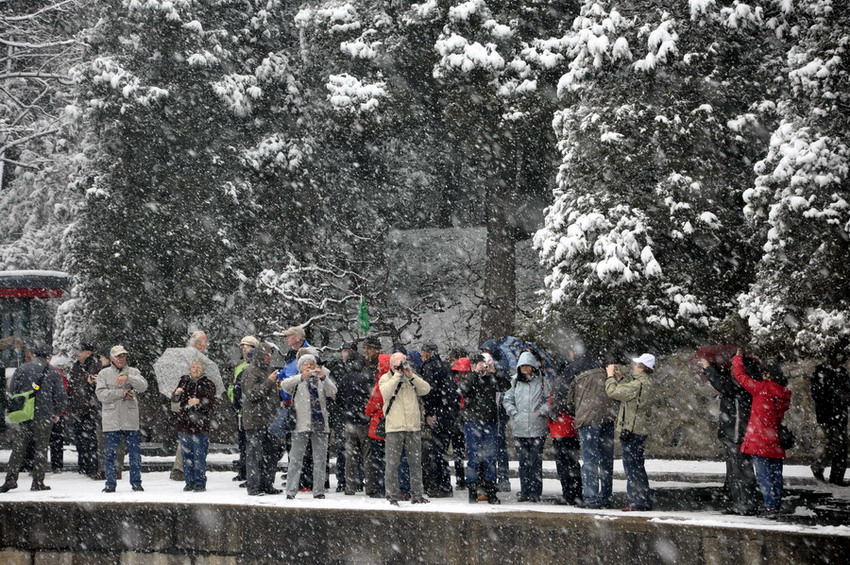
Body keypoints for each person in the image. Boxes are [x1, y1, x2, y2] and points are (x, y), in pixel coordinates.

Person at [0, 342, 68, 493]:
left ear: (34, 354)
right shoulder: (53, 371)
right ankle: (37, 482)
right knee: (41, 448)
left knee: (18, 447)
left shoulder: (22, 368)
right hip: (44, 414)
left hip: (25, 413)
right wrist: (56, 412)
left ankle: (10, 478)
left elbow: (12, 391)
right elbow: (62, 396)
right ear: (49, 356)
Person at [732, 351, 792, 515]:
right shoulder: (784, 393)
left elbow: (741, 377)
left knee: (764, 476)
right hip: (775, 440)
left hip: (759, 440)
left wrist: (737, 359)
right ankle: (775, 503)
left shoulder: (762, 389)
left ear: (767, 375)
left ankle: (770, 505)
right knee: (776, 475)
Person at [699, 355, 760, 515]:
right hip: (733, 433)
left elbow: (723, 385)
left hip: (737, 434)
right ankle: (740, 503)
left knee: (741, 472)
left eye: (735, 366)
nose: (732, 369)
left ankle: (746, 505)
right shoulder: (744, 383)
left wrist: (708, 368)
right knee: (736, 473)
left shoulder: (742, 383)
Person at [281, 354, 337, 499]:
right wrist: (301, 377)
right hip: (301, 424)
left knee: (320, 459)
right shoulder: (297, 381)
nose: (310, 366)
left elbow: (333, 392)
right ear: (300, 367)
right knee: (295, 459)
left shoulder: (321, 380)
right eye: (306, 364)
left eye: (312, 364)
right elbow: (284, 385)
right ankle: (291, 491)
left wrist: (323, 377)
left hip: (320, 425)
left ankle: (318, 491)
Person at [379, 351, 431, 505]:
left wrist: (411, 376)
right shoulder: (386, 378)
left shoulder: (411, 377)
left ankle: (417, 494)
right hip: (395, 426)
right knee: (392, 463)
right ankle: (392, 495)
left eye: (404, 361)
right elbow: (385, 393)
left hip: (413, 426)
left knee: (415, 462)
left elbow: (426, 389)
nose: (402, 365)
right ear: (391, 364)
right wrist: (396, 376)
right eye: (399, 362)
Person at [605, 353, 656, 511]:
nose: (633, 366)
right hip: (639, 429)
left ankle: (638, 501)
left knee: (633, 468)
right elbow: (628, 395)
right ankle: (642, 500)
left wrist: (610, 377)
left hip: (631, 431)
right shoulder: (644, 382)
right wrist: (620, 379)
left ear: (641, 367)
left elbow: (613, 392)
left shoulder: (637, 384)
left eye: (636, 364)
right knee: (637, 466)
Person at [566, 348, 616, 509]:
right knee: (606, 460)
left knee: (589, 459)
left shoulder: (576, 377)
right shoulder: (606, 375)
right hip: (607, 418)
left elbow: (569, 403)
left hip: (587, 420)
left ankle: (591, 497)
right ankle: (606, 496)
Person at [459, 354, 511, 503]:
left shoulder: (491, 378)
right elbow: (463, 390)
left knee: (490, 458)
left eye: (483, 364)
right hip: (472, 422)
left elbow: (506, 386)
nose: (482, 367)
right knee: (473, 457)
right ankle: (472, 489)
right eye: (478, 364)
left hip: (490, 421)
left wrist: (495, 373)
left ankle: (490, 490)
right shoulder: (469, 377)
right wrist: (475, 373)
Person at [96, 345, 149, 493]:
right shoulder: (103, 373)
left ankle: (136, 483)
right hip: (111, 420)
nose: (121, 359)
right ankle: (110, 483)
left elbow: (144, 386)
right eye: (118, 356)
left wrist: (129, 378)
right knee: (110, 455)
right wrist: (122, 393)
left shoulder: (133, 371)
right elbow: (101, 395)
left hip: (130, 419)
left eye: (123, 356)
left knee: (134, 455)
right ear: (112, 358)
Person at [503, 351, 550, 502]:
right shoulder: (514, 382)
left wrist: (541, 411)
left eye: (527, 365)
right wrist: (514, 413)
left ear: (533, 367)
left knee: (535, 461)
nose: (525, 368)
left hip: (538, 428)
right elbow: (507, 399)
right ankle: (525, 491)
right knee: (523, 462)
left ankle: (535, 492)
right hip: (520, 428)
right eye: (522, 366)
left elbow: (549, 400)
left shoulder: (542, 381)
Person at [241, 342, 284, 496]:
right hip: (255, 420)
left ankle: (267, 484)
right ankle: (254, 487)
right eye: (266, 354)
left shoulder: (270, 370)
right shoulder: (250, 371)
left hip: (270, 420)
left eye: (270, 354)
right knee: (254, 455)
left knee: (271, 454)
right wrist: (269, 382)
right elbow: (252, 394)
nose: (269, 357)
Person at [419, 343, 459, 498]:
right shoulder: (444, 366)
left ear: (426, 354)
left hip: (439, 412)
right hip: (448, 412)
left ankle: (439, 485)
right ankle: (444, 484)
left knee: (437, 451)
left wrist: (430, 412)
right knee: (441, 450)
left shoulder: (430, 367)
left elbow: (430, 391)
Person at [333, 342, 373, 495]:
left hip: (349, 421)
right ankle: (370, 486)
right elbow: (371, 398)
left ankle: (349, 486)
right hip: (363, 420)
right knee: (367, 455)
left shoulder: (344, 379)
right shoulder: (367, 378)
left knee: (350, 456)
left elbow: (339, 400)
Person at [547, 351, 586, 505]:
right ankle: (575, 493)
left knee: (564, 464)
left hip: (560, 428)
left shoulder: (560, 382)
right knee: (573, 462)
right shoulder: (573, 380)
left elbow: (558, 405)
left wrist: (550, 412)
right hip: (571, 427)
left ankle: (569, 494)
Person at [172, 360, 216, 492]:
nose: (195, 369)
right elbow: (175, 400)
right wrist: (177, 393)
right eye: (193, 367)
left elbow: (212, 403)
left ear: (203, 370)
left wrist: (200, 401)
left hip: (200, 425)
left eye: (198, 367)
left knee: (199, 456)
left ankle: (199, 482)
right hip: (185, 424)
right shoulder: (184, 382)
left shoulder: (208, 384)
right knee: (187, 456)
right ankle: (189, 482)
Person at [810, 347, 850, 485]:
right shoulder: (820, 373)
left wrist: (844, 397)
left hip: (841, 415)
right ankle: (819, 467)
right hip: (828, 415)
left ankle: (836, 478)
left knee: (842, 446)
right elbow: (818, 394)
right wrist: (837, 396)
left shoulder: (842, 373)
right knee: (834, 444)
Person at [68, 342, 102, 478]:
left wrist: (92, 399)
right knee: (80, 437)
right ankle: (83, 464)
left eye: (80, 351)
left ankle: (91, 466)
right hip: (78, 407)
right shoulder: (76, 366)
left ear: (88, 352)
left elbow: (94, 384)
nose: (77, 354)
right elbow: (74, 384)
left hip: (90, 407)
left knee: (90, 438)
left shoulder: (94, 365)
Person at [229, 335, 259, 483]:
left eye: (247, 346)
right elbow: (233, 385)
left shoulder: (256, 365)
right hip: (240, 409)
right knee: (242, 442)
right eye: (242, 347)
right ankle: (243, 470)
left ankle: (250, 472)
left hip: (252, 409)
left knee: (251, 442)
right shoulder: (239, 365)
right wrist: (233, 400)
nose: (244, 349)